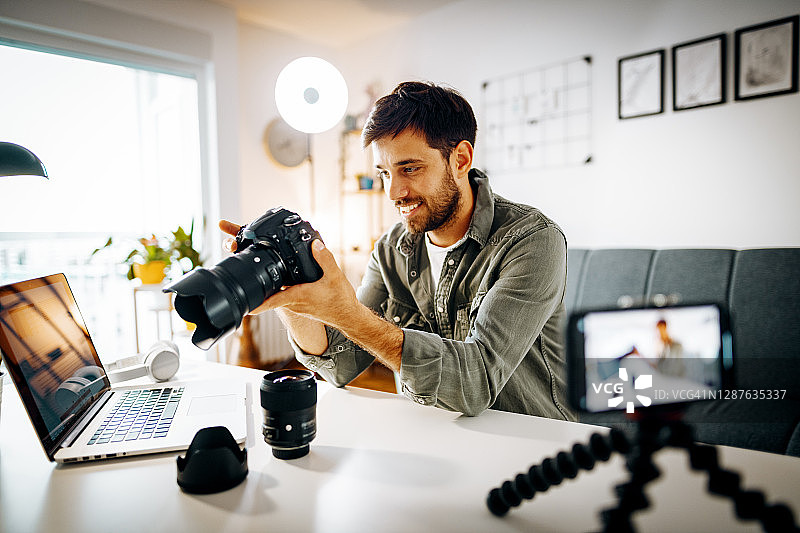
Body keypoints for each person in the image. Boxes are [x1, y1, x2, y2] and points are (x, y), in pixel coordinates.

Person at [220, 81, 574, 421]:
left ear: (461, 159)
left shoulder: (532, 241)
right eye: (385, 173)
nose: (393, 192)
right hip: (430, 434)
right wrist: (290, 295)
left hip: (534, 440)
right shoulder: (392, 248)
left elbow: (475, 381)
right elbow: (342, 365)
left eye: (409, 168)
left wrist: (345, 313)